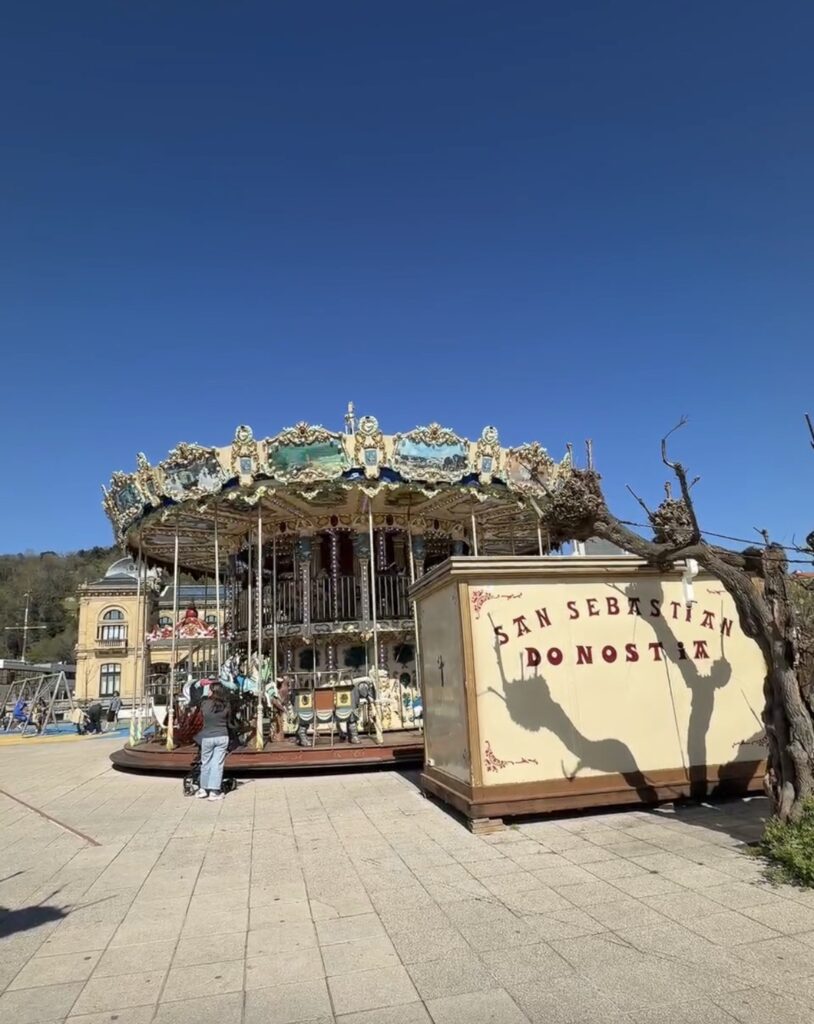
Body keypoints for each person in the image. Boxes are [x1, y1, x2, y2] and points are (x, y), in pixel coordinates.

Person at [194, 682, 231, 801]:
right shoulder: (226, 705)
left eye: (209, 690)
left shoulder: (205, 704)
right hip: (222, 735)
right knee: (217, 764)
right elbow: (229, 720)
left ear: (212, 691)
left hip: (207, 736)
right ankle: (214, 791)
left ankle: (203, 789)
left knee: (206, 763)